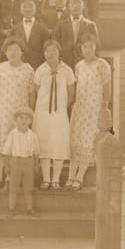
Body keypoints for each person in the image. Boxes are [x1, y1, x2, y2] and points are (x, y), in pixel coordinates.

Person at [0, 36, 36, 191]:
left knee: (16, 146)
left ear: (22, 52)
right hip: (1, 113)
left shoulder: (28, 69)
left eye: (16, 49)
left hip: (20, 116)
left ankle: (10, 178)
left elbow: (31, 93)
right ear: (5, 52)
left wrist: (30, 113)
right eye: (9, 50)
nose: (13, 52)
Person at [65, 33, 111, 191]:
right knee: (76, 141)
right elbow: (79, 87)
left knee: (86, 141)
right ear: (81, 48)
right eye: (84, 47)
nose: (87, 49)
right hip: (80, 107)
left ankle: (79, 177)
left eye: (90, 46)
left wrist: (104, 106)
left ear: (95, 47)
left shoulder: (102, 64)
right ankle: (71, 176)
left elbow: (106, 87)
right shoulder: (78, 66)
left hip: (94, 108)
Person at [32, 39, 75, 191]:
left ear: (59, 52)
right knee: (43, 143)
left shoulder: (67, 70)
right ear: (44, 53)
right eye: (47, 51)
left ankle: (56, 179)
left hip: (59, 113)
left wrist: (62, 107)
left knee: (58, 144)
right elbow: (38, 90)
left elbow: (71, 92)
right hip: (42, 112)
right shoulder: (40, 70)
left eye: (53, 50)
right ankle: (46, 179)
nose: (50, 53)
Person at [3, 106, 40, 218]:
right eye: (21, 118)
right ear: (15, 120)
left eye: (27, 118)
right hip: (15, 162)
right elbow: (7, 151)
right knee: (13, 187)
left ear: (30, 121)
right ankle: (11, 208)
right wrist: (6, 165)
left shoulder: (33, 135)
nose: (24, 121)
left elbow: (36, 152)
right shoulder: (12, 134)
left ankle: (29, 208)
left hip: (29, 162)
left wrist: (36, 164)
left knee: (28, 187)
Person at [53, 0, 100, 71]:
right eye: (73, 2)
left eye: (78, 2)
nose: (75, 5)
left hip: (85, 65)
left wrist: (92, 65)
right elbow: (55, 45)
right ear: (68, 6)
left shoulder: (91, 25)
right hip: (64, 65)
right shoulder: (60, 25)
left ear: (83, 6)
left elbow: (97, 48)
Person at [10, 0, 51, 70]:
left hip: (38, 66)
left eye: (31, 6)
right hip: (19, 66)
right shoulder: (14, 29)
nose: (28, 9)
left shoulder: (43, 28)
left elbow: (46, 48)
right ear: (20, 10)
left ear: (35, 9)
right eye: (24, 6)